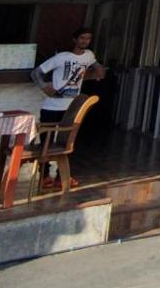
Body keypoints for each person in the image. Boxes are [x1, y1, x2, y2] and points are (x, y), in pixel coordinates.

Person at [30, 29, 105, 189]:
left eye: (88, 38)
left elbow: (96, 66)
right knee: (46, 141)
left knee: (68, 142)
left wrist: (99, 70)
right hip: (52, 106)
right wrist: (44, 86)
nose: (85, 41)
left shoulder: (89, 56)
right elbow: (36, 73)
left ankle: (61, 176)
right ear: (74, 39)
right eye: (82, 38)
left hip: (71, 107)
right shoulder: (61, 57)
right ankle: (44, 175)